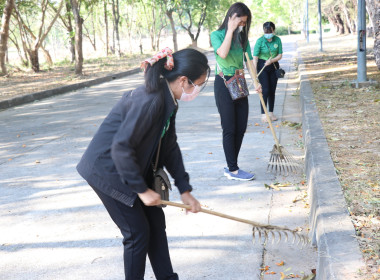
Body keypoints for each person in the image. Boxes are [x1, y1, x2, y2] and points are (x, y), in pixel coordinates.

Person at [76, 47, 209, 280]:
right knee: (137, 233)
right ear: (183, 80)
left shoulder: (169, 100)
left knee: (156, 225)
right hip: (107, 170)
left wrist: (184, 189)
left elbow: (169, 146)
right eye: (198, 84)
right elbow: (120, 148)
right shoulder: (151, 101)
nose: (197, 90)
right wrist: (142, 190)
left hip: (134, 165)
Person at [210, 2, 261, 181]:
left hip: (239, 83)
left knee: (241, 127)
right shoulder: (216, 35)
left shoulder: (243, 38)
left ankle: (232, 166)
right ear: (231, 18)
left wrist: (256, 81)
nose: (242, 26)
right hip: (223, 83)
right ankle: (232, 169)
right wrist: (230, 31)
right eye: (239, 22)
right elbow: (222, 54)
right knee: (229, 127)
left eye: (244, 23)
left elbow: (248, 62)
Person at [253, 21, 283, 123]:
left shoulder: (277, 40)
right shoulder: (260, 41)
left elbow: (280, 55)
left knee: (272, 90)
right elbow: (255, 58)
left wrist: (271, 60)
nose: (268, 33)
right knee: (265, 90)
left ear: (273, 30)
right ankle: (263, 114)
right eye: (266, 31)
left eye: (270, 31)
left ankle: (271, 113)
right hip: (262, 66)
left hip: (273, 66)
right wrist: (254, 74)